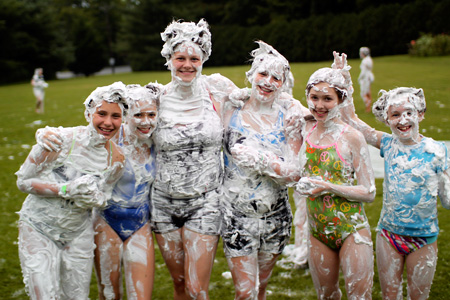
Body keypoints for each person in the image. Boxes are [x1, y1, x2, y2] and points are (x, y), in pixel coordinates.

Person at [152, 19, 239, 299]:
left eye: (194, 58)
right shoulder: (154, 98)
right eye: (180, 58)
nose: (187, 64)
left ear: (203, 59)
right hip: (163, 204)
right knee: (178, 282)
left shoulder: (217, 90)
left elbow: (264, 102)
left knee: (196, 287)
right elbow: (112, 125)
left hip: (205, 202)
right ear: (169, 58)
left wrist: (310, 114)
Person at [15, 81, 128, 299]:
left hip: (78, 233)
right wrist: (65, 188)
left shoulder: (117, 159)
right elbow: (23, 181)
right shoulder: (59, 140)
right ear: (88, 113)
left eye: (116, 116)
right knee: (44, 295)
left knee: (77, 296)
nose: (108, 122)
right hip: (39, 228)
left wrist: (96, 198)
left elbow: (104, 195)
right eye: (101, 113)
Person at [341, 87, 450, 299]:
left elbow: (447, 201)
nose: (403, 120)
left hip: (423, 237)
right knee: (389, 295)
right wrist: (344, 82)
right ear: (387, 119)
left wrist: (444, 181)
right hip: (388, 235)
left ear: (421, 114)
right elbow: (353, 121)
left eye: (409, 113)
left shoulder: (436, 150)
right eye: (395, 115)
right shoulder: (389, 144)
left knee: (418, 296)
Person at [221, 41, 308, 299]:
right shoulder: (230, 109)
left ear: (283, 84)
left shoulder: (290, 116)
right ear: (251, 75)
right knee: (245, 293)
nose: (268, 82)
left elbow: (293, 174)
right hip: (237, 215)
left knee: (260, 290)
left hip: (276, 216)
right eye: (263, 74)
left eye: (276, 78)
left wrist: (260, 159)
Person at [296, 52, 376, 299]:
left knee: (358, 296)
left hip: (351, 228)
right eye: (314, 97)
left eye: (327, 99)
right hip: (318, 230)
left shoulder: (351, 136)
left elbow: (370, 192)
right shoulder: (306, 128)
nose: (319, 105)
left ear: (339, 101)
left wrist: (327, 186)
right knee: (327, 295)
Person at [93, 83, 161, 299]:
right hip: (106, 222)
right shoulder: (111, 139)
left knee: (141, 296)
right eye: (138, 115)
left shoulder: (157, 140)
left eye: (151, 114)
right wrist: (49, 135)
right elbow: (80, 137)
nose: (146, 121)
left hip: (140, 224)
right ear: (126, 115)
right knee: (110, 295)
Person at [358, 47, 374, 113]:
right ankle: (369, 108)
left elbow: (363, 72)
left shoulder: (364, 61)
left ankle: (368, 108)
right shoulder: (369, 59)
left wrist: (359, 78)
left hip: (365, 78)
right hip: (370, 77)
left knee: (363, 93)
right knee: (368, 93)